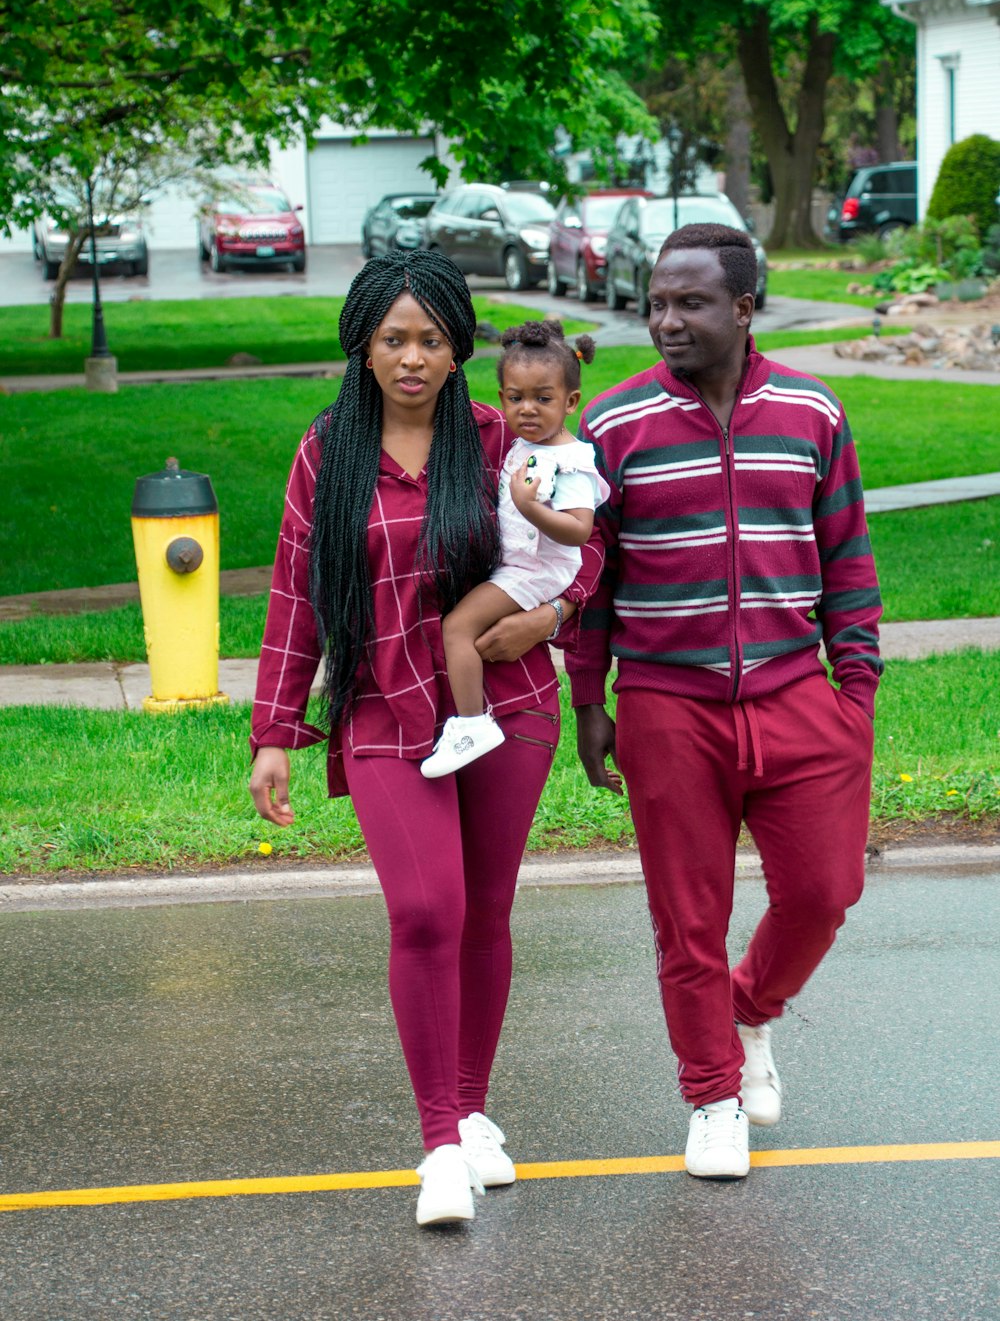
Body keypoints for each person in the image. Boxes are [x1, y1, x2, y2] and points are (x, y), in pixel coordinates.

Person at [249, 249, 602, 1227]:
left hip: (505, 701)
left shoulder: (501, 437)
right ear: (361, 344)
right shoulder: (329, 452)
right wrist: (276, 730)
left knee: (484, 910)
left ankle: (475, 1110)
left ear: (458, 351)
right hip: (380, 706)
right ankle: (439, 1142)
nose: (412, 357)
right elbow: (294, 596)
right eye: (394, 338)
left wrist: (555, 615)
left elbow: (586, 538)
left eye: (432, 340)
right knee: (425, 910)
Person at [567, 223, 882, 1180]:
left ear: (743, 309)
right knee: (686, 918)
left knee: (825, 893)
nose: (666, 319)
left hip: (797, 697)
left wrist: (854, 696)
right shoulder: (612, 428)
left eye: (690, 302)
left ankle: (749, 1014)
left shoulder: (812, 412)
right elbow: (591, 581)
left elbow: (847, 558)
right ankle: (712, 1095)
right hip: (668, 707)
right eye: (657, 302)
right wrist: (591, 703)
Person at [421, 320, 610, 778]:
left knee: (458, 629)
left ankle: (470, 726)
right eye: (515, 397)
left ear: (570, 402)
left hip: (537, 571)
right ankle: (470, 719)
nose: (527, 409)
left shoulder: (571, 462)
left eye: (543, 399)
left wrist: (530, 507)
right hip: (518, 564)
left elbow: (580, 533)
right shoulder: (527, 446)